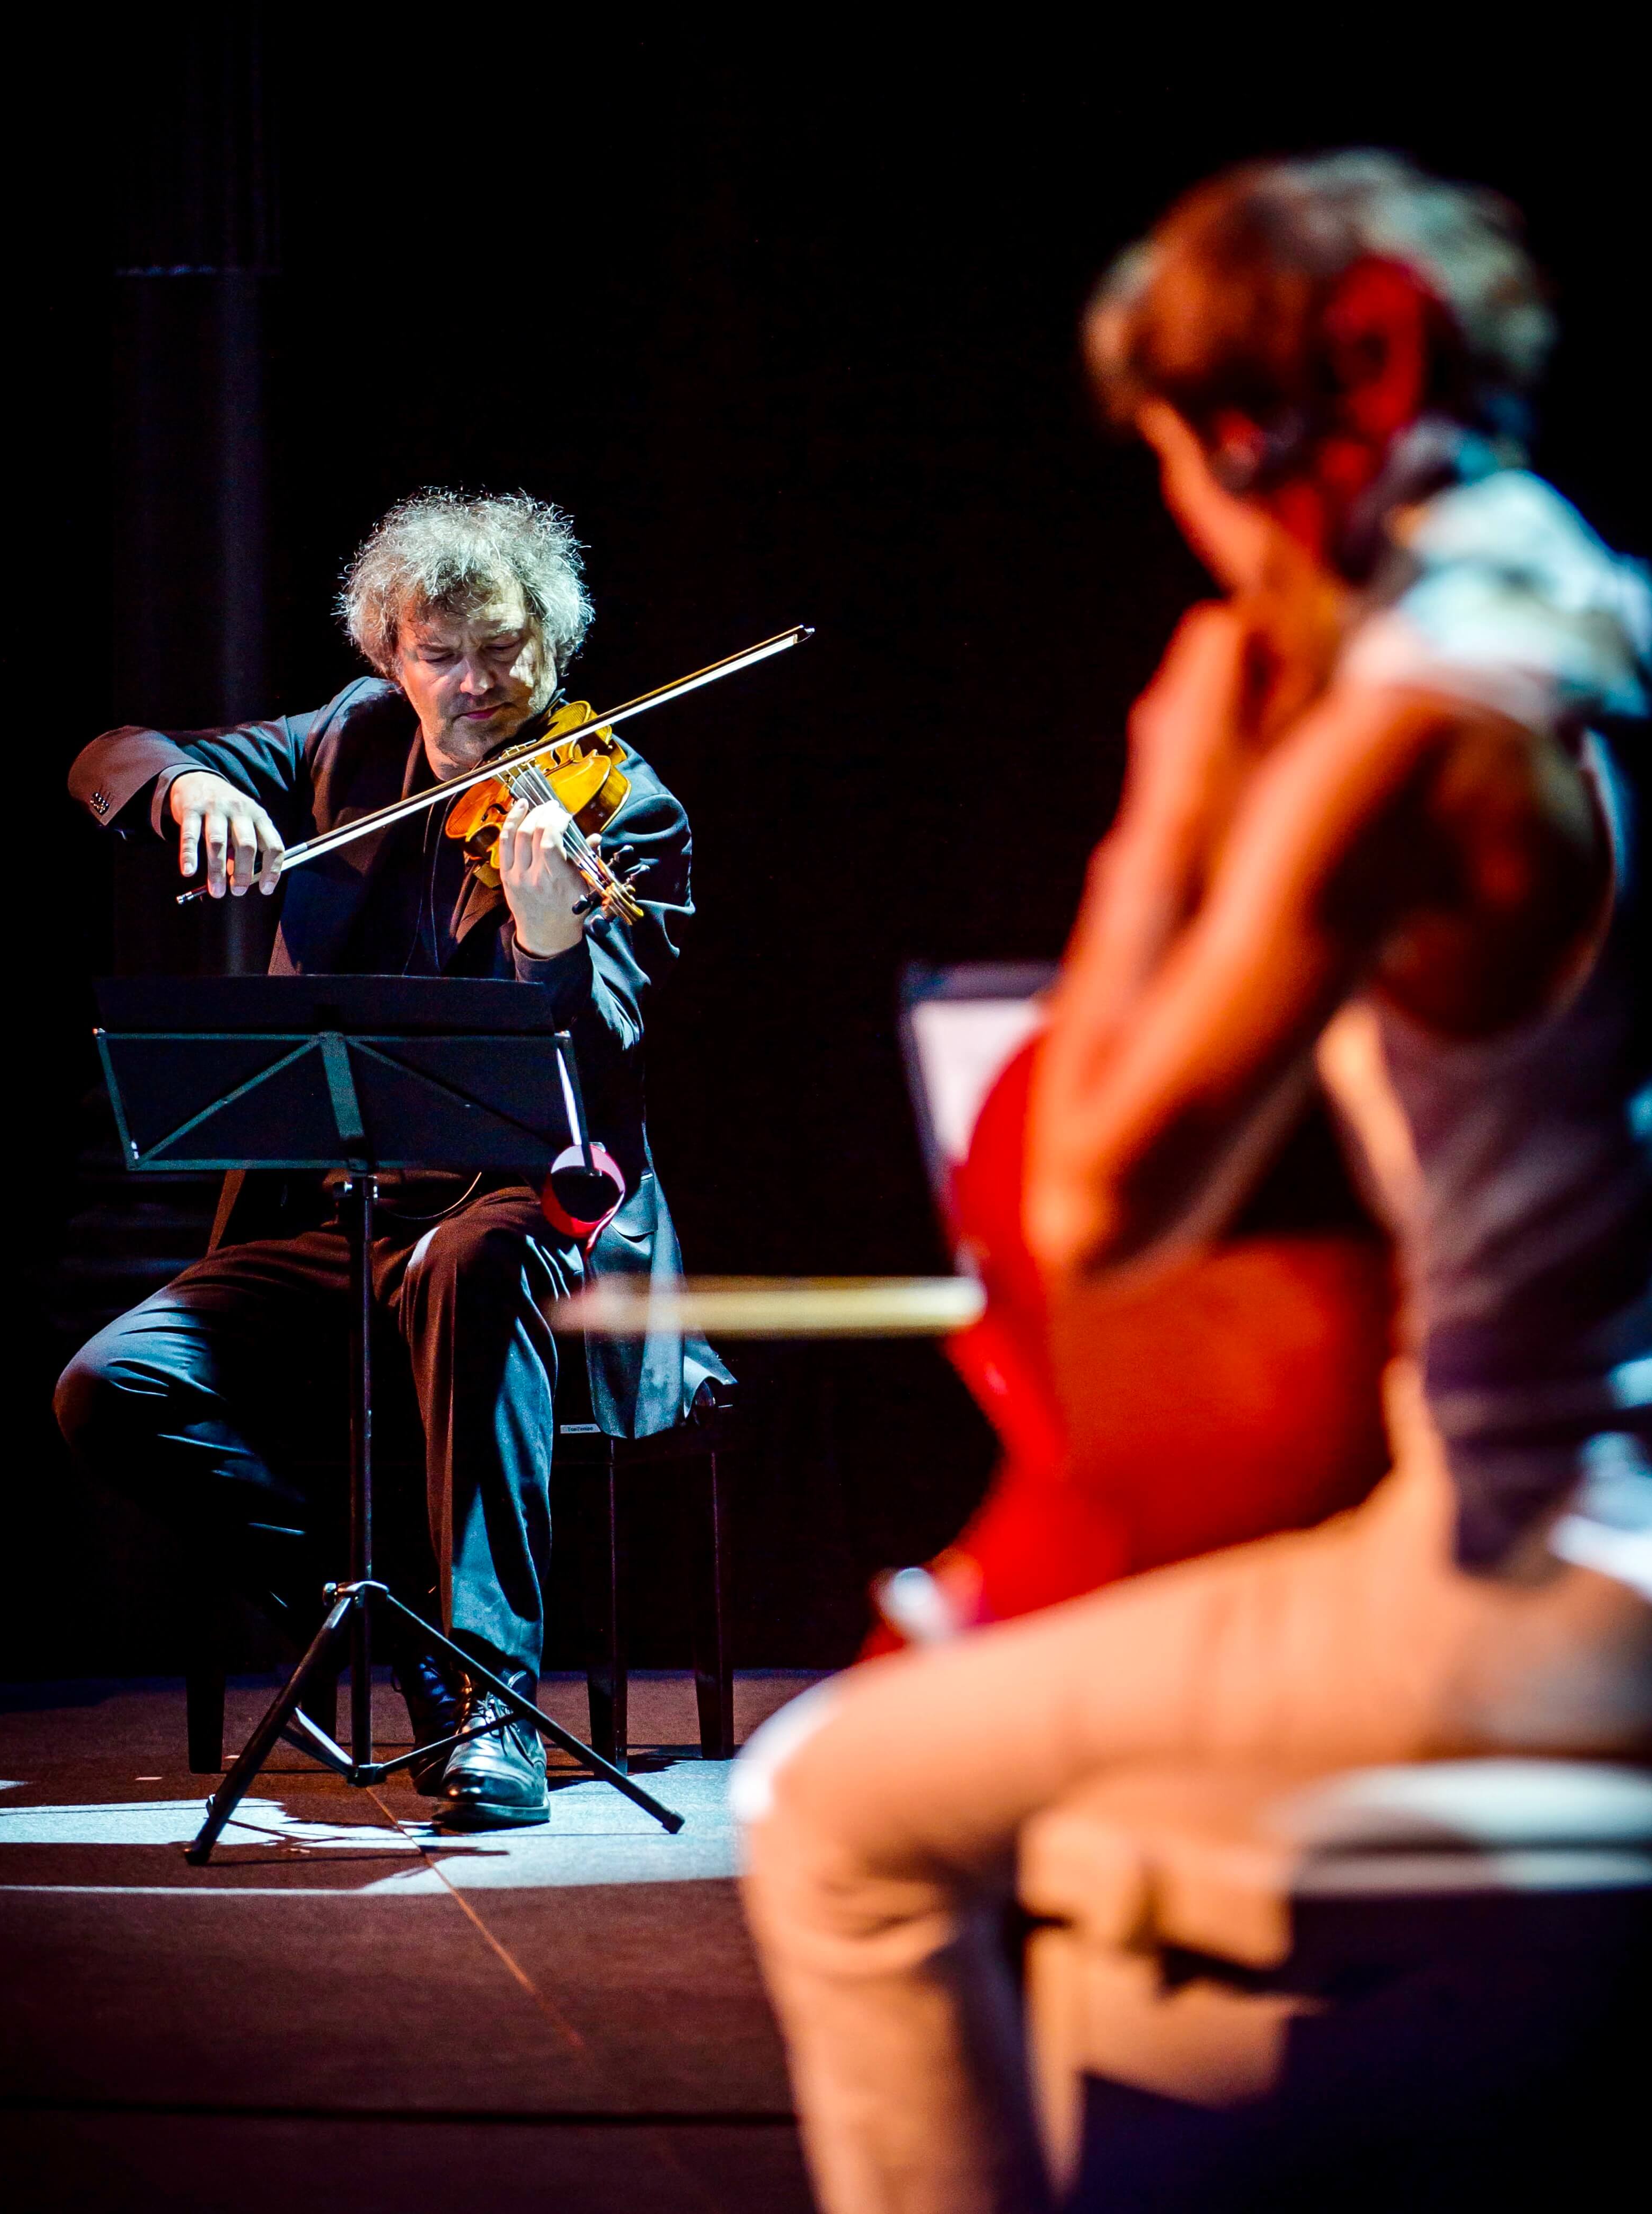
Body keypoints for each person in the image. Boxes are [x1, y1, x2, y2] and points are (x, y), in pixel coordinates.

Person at [737, 151, 1652, 2212]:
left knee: (835, 1809)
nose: (1184, 520)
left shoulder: (1412, 724)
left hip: (1535, 1584)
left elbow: (1093, 1204)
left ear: (1319, 401)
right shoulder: (1604, 620)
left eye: (1172, 453)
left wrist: (1167, 808)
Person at [57, 491, 727, 1831]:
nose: (475, 685)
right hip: (344, 1215)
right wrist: (188, 784)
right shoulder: (345, 747)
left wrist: (547, 939)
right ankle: (398, 1637)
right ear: (389, 656)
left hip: (533, 1218)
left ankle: (494, 1717)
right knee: (112, 1385)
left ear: (553, 643)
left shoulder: (626, 806)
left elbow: (600, 1072)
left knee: (474, 1267)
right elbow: (108, 755)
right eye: (441, 653)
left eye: (504, 649)